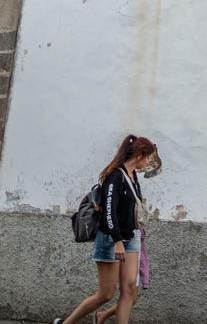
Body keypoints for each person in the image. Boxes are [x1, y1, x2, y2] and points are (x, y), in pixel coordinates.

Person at [53, 134, 156, 324]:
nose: (149, 162)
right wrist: (117, 241)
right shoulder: (115, 176)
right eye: (148, 157)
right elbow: (109, 212)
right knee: (106, 294)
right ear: (140, 155)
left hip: (131, 238)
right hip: (111, 239)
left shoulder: (133, 177)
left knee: (129, 290)